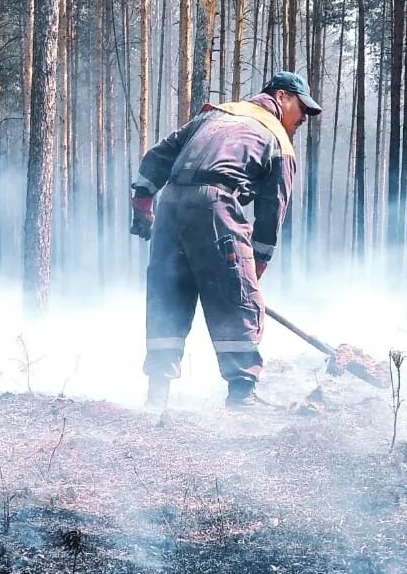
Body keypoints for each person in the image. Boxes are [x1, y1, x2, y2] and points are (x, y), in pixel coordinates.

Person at [129, 71, 322, 411]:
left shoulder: (216, 114)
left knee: (167, 295)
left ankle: (156, 394)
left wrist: (144, 198)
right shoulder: (277, 137)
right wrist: (255, 266)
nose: (304, 117)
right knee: (236, 298)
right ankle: (241, 393)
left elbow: (160, 154)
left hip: (171, 202)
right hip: (216, 206)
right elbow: (272, 208)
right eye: (301, 107)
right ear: (281, 97)